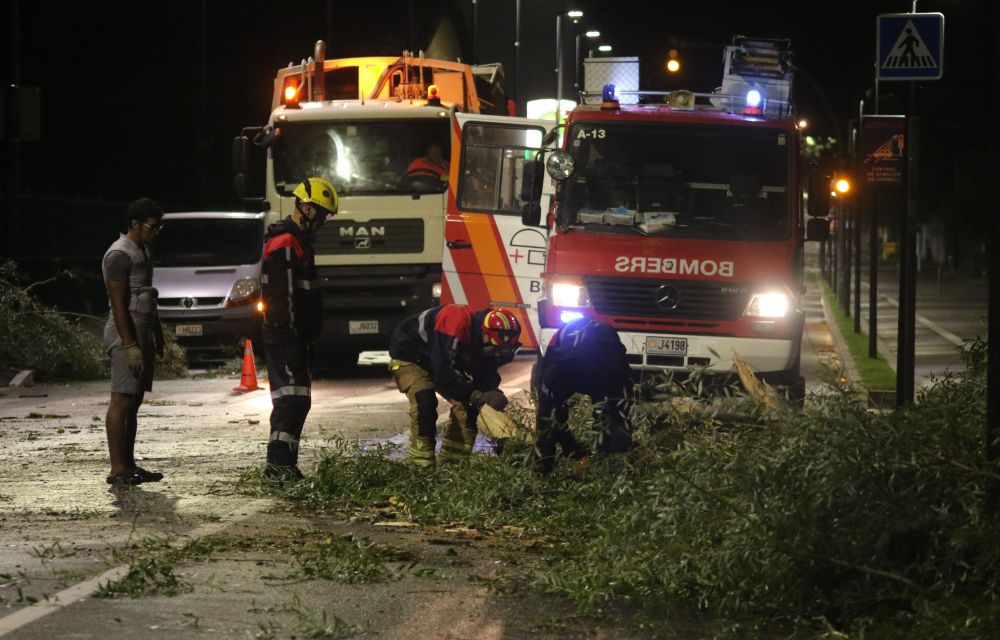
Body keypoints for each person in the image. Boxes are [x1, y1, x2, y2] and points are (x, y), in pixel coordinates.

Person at [260, 177, 339, 480]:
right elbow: (285, 297)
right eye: (323, 215)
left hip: (295, 337)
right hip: (286, 337)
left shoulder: (298, 242)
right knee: (290, 400)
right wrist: (294, 338)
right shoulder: (286, 243)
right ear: (307, 208)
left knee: (298, 400)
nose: (323, 223)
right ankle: (277, 467)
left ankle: (285, 466)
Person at [389, 305, 521, 467]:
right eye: (495, 349)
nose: (497, 354)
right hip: (410, 354)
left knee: (468, 407)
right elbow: (444, 374)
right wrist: (478, 395)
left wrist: (490, 392)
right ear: (485, 334)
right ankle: (421, 468)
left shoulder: (486, 340)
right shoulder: (454, 322)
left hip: (438, 360)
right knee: (425, 403)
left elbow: (484, 372)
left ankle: (453, 465)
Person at [102, 197, 166, 486]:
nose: (156, 232)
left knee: (135, 401)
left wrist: (157, 335)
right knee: (121, 400)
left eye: (158, 227)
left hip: (143, 331)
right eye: (152, 226)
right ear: (135, 224)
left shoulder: (145, 250)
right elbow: (118, 305)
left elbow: (148, 295)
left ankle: (129, 464)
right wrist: (129, 345)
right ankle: (117, 469)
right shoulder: (119, 254)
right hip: (125, 333)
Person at [534, 317, 634, 474]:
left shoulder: (609, 365)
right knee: (614, 416)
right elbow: (550, 415)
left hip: (592, 361)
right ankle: (612, 468)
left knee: (614, 418)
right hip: (589, 361)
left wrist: (570, 449)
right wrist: (571, 448)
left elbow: (549, 414)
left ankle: (612, 467)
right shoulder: (560, 365)